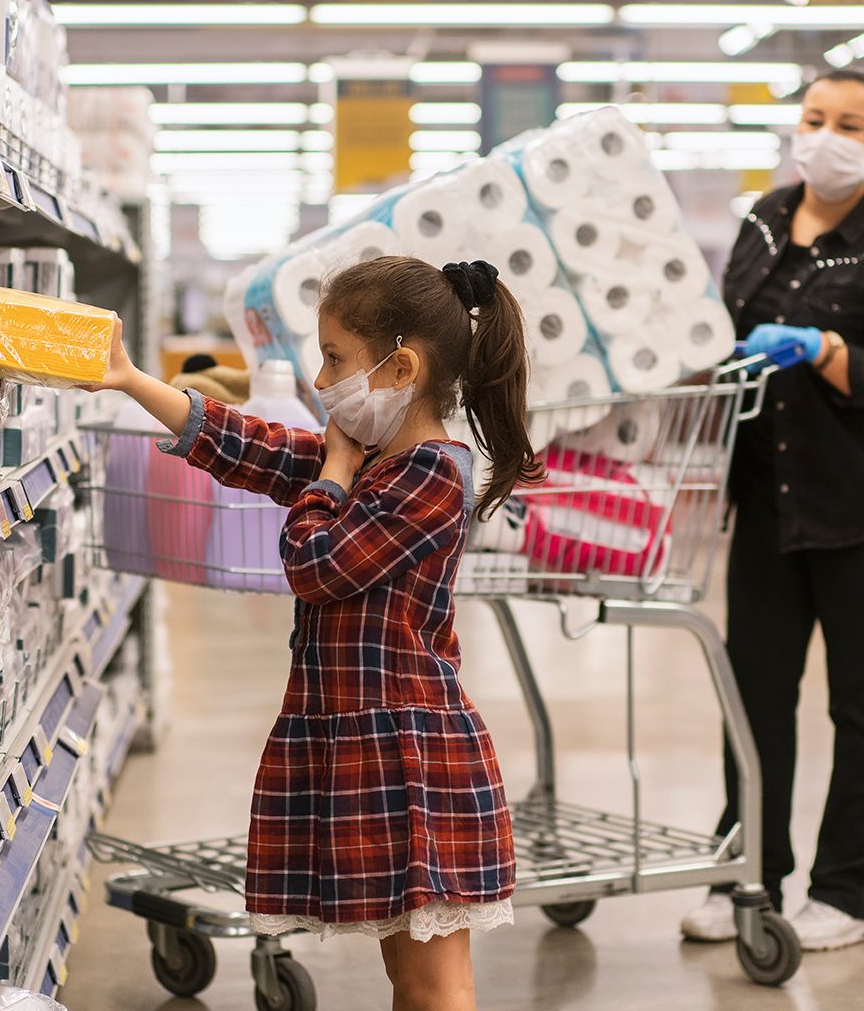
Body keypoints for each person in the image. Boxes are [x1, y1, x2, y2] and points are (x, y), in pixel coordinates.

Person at [88, 255, 543, 1011]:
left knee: (436, 985)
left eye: (335, 358)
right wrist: (135, 382)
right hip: (366, 743)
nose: (323, 377)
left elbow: (316, 563)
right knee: (413, 980)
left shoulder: (429, 471)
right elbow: (255, 449)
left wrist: (330, 474)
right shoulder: (378, 460)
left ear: (400, 368)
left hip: (410, 756)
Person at [681, 70, 864, 952]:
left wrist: (825, 348)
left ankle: (850, 892)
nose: (824, 136)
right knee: (754, 692)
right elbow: (718, 335)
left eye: (849, 126)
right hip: (767, 498)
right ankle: (748, 873)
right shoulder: (763, 219)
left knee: (861, 697)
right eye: (813, 118)